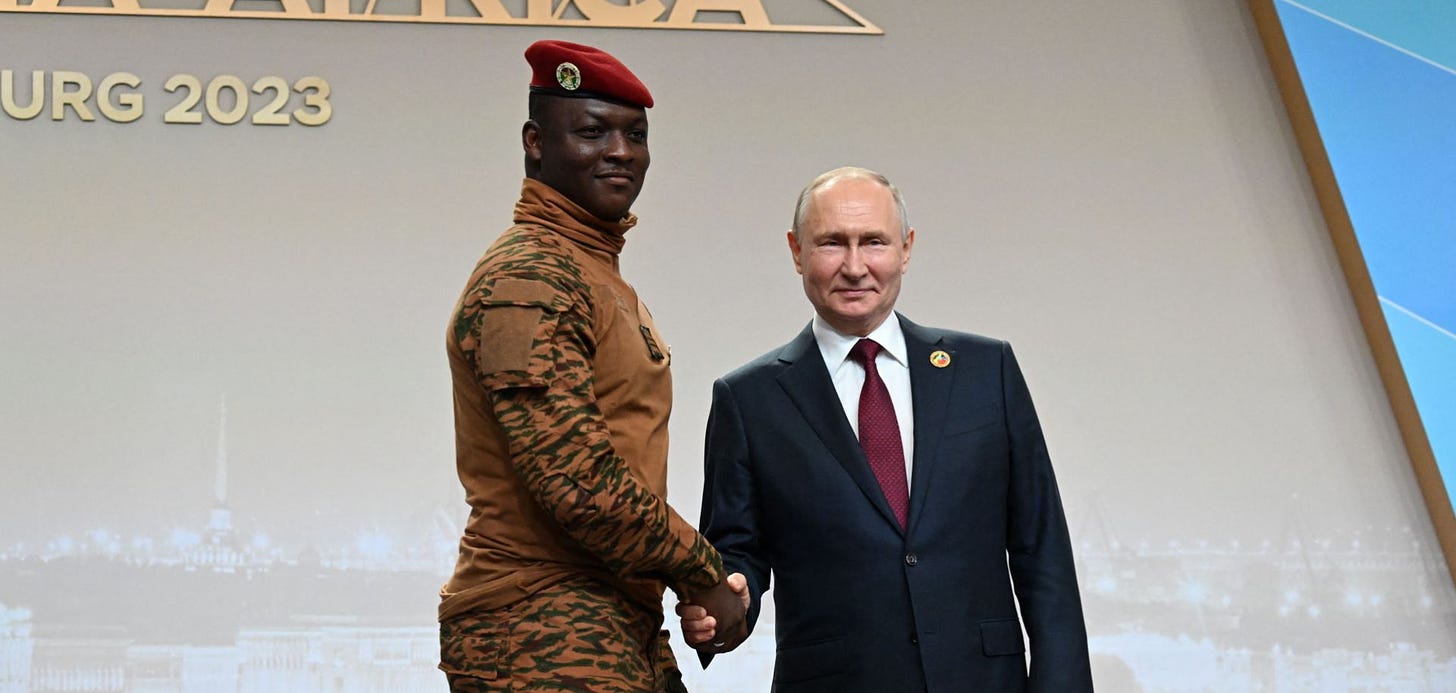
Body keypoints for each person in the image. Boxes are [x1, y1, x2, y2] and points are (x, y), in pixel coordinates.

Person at [678, 167, 1093, 691]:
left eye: (873, 241)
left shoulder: (987, 371)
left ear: (906, 248)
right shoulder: (748, 399)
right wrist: (729, 602)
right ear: (796, 251)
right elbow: (736, 553)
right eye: (832, 243)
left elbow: (1043, 551)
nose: (855, 267)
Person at [439, 39, 746, 693]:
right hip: (538, 626)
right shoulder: (530, 274)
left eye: (635, 134)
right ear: (535, 142)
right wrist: (703, 571)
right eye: (592, 131)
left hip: (608, 618)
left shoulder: (591, 271)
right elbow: (579, 483)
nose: (620, 151)